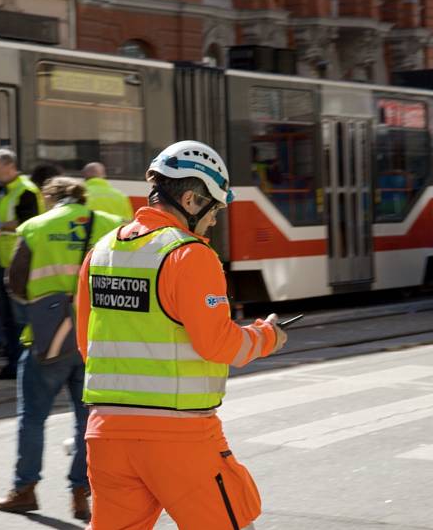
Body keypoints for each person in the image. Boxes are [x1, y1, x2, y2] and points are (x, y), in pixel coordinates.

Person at [75, 140, 287, 529]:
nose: (215, 221)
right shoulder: (189, 254)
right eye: (214, 209)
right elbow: (218, 343)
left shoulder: (101, 252)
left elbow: (87, 344)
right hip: (179, 437)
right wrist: (267, 336)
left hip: (106, 434)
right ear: (191, 199)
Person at [0, 177, 123, 521]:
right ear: (82, 197)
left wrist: (40, 309)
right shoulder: (112, 226)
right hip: (95, 340)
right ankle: (81, 496)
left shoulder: (35, 227)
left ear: (51, 199)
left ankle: (25, 490)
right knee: (88, 423)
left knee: (32, 418)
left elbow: (15, 284)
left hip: (48, 339)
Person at [0, 149, 44, 380]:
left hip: (18, 264)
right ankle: (15, 363)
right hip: (2, 262)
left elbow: (27, 222)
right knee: (8, 318)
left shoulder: (26, 191)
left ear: (10, 166)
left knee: (19, 319)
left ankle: (22, 365)